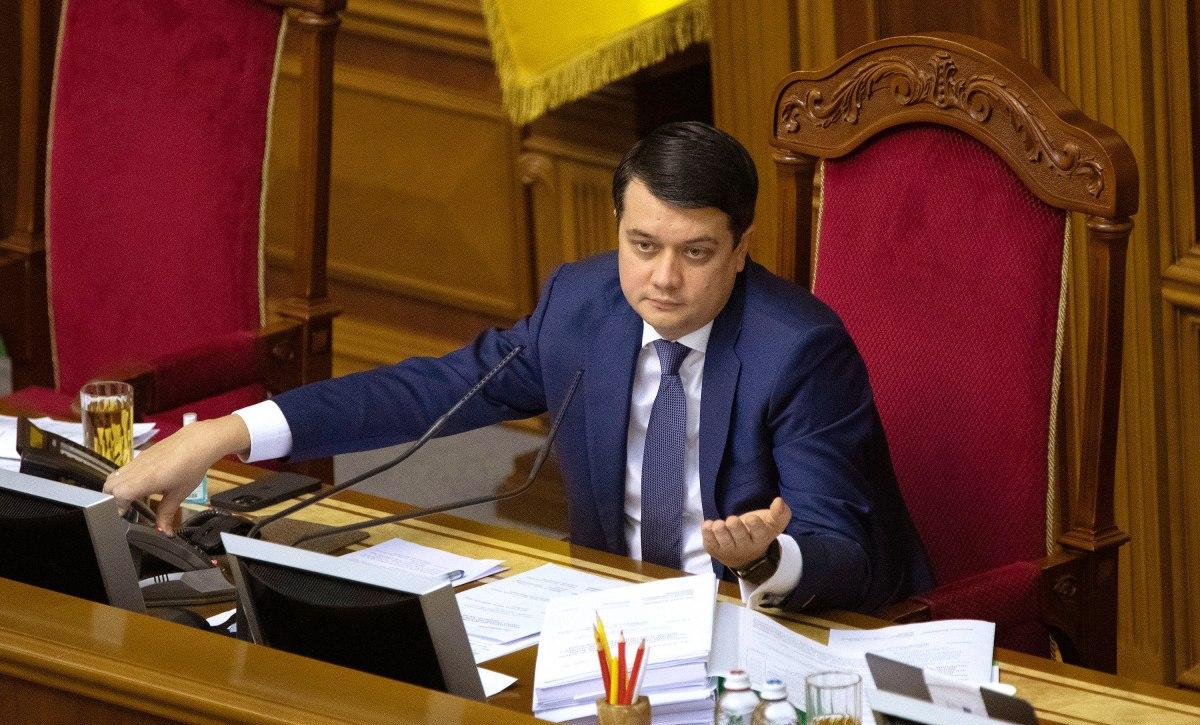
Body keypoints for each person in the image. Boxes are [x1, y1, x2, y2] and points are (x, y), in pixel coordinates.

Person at [105, 121, 932, 613]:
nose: (662, 279)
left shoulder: (800, 350)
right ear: (617, 226)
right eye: (642, 245)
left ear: (742, 249)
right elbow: (430, 392)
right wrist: (225, 432)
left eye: (696, 253)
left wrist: (764, 558)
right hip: (616, 621)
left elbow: (845, 549)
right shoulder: (581, 307)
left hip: (763, 626)